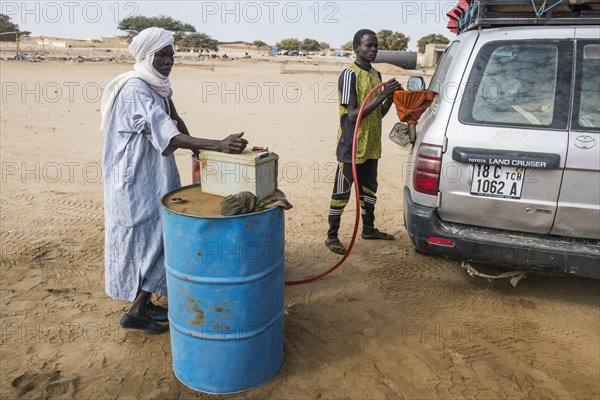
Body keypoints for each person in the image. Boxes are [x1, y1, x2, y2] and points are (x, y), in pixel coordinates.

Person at [100, 27, 248, 333]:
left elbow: (175, 120)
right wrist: (217, 145)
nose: (169, 61)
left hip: (153, 174)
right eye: (162, 55)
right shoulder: (134, 89)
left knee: (161, 237)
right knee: (150, 241)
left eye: (172, 54)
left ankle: (142, 305)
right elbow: (165, 131)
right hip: (133, 181)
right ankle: (136, 310)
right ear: (146, 55)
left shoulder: (158, 87)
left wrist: (199, 151)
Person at [325, 29, 403, 255]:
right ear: (356, 48)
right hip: (351, 146)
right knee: (342, 192)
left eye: (375, 46)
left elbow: (376, 114)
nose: (373, 50)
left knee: (369, 191)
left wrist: (390, 99)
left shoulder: (376, 75)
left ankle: (368, 229)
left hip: (371, 146)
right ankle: (331, 237)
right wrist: (381, 95)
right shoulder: (349, 74)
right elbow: (352, 115)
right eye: (368, 46)